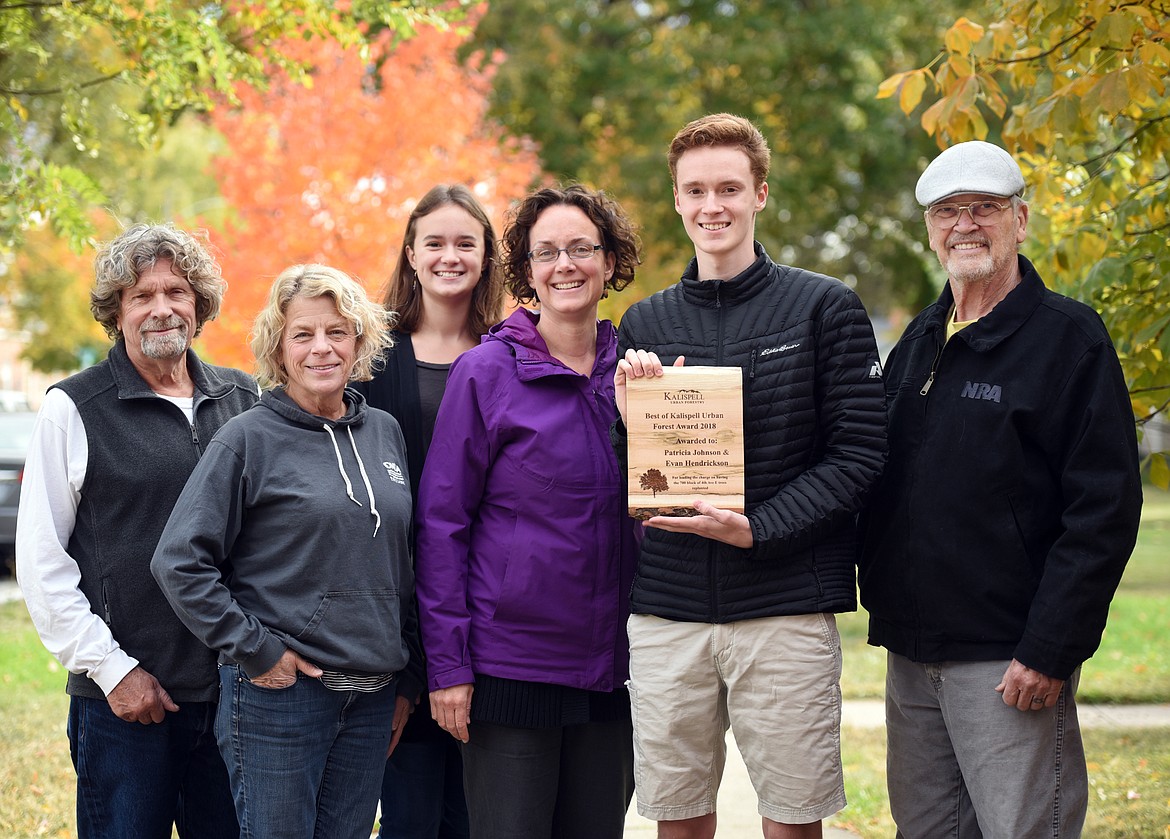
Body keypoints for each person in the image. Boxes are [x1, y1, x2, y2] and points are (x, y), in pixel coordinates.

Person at [857, 140, 1143, 838]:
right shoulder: (919, 339)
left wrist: (1051, 645)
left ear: (1021, 219)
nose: (966, 225)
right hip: (911, 653)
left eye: (984, 208)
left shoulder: (1068, 339)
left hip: (1008, 659)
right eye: (949, 211)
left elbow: (1103, 510)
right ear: (930, 228)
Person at [613, 113, 887, 839]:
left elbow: (859, 454)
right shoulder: (644, 322)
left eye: (730, 188)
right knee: (676, 816)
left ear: (760, 192)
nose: (713, 206)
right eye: (696, 190)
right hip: (670, 611)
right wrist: (625, 414)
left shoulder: (824, 306)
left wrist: (758, 529)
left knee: (793, 819)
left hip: (787, 607)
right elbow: (632, 476)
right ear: (675, 199)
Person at [150, 264, 422, 839]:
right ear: (278, 348)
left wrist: (407, 675)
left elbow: (405, 562)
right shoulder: (247, 438)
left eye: (337, 332)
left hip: (373, 698)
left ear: (360, 342)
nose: (321, 348)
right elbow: (178, 561)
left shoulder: (385, 433)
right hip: (283, 698)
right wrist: (257, 649)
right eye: (302, 334)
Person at [15, 223, 257, 838]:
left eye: (176, 291)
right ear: (115, 313)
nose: (161, 308)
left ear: (198, 305)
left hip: (235, 697)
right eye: (140, 296)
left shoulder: (244, 398)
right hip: (126, 705)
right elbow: (41, 562)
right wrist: (111, 669)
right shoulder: (74, 407)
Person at [415, 184, 641, 839]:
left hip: (611, 669)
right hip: (509, 666)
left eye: (581, 249)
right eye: (547, 252)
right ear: (527, 268)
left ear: (609, 261)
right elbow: (441, 527)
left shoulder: (636, 374)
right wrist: (449, 668)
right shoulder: (485, 372)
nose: (564, 264)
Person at [353, 184, 504, 839]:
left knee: (478, 816)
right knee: (411, 817)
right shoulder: (366, 357)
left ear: (486, 256)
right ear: (411, 253)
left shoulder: (513, 352)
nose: (449, 255)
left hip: (494, 620)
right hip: (396, 621)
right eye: (434, 242)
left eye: (465, 243)